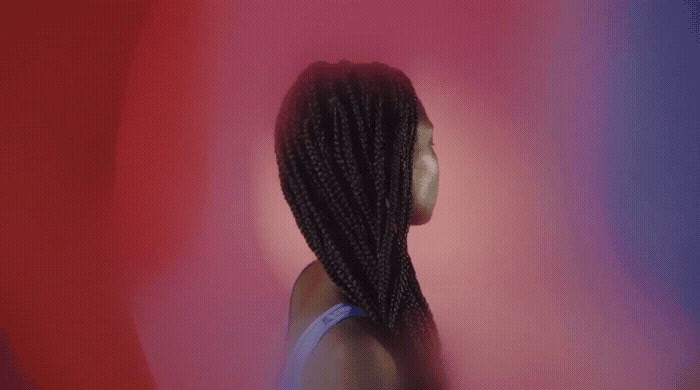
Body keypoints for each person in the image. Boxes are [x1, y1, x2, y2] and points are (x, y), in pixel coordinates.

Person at [274, 60, 449, 389]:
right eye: (427, 144)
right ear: (377, 165)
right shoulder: (358, 357)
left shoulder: (314, 279)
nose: (435, 161)